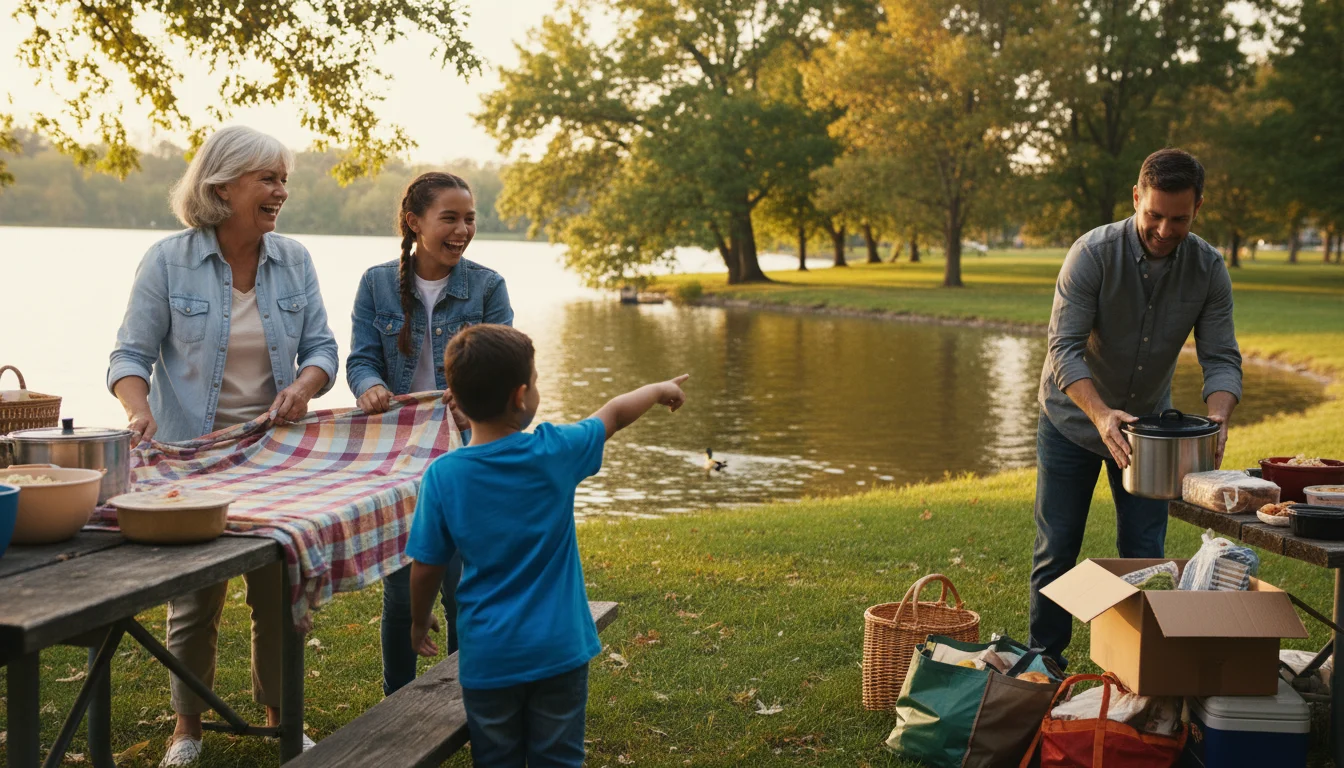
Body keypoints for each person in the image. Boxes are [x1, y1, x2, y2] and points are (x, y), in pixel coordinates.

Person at [107, 125, 338, 766]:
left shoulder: (294, 259)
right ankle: (188, 730)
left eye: (283, 179)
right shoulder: (167, 260)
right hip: (194, 456)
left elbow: (322, 349)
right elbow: (129, 354)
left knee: (278, 595)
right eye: (267, 179)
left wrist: (304, 386)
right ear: (221, 186)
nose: (280, 191)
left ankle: (279, 720)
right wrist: (139, 410)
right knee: (195, 599)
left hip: (275, 454)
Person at [406, 324, 688, 767]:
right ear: (521, 396)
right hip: (559, 650)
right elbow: (612, 414)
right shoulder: (555, 451)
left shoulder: (444, 476)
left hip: (489, 658)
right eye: (535, 381)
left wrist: (418, 623)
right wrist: (657, 389)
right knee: (557, 758)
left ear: (456, 400)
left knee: (497, 758)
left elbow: (426, 566)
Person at [1029, 147, 1243, 666]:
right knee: (1058, 548)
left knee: (1146, 554)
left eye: (1179, 218)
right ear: (1136, 198)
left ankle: (1138, 665)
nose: (1166, 229)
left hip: (1150, 434)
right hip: (1072, 420)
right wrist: (1101, 414)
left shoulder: (1209, 268)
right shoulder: (1092, 253)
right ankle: (1044, 661)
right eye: (1154, 215)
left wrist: (1217, 417)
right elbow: (1064, 348)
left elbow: (1221, 357)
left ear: (1197, 209)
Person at [344, 171, 514, 695]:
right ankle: (396, 700)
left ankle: (470, 696)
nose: (463, 229)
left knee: (464, 586)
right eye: (450, 218)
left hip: (464, 454)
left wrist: (472, 403)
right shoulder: (376, 283)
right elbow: (360, 360)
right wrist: (369, 386)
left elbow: (506, 367)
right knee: (401, 591)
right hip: (398, 458)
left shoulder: (487, 287)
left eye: (470, 219)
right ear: (414, 223)